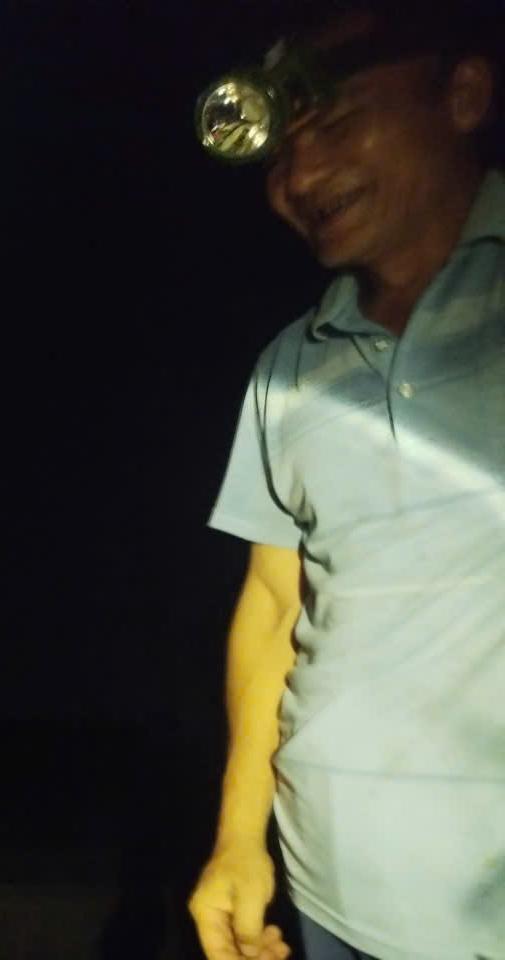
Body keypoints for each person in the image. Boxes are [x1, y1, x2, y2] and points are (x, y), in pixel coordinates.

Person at [187, 3, 503, 959]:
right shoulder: (290, 366)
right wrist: (238, 840)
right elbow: (273, 603)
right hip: (332, 888)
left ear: (463, 94)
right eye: (281, 150)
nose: (300, 177)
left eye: (332, 121)